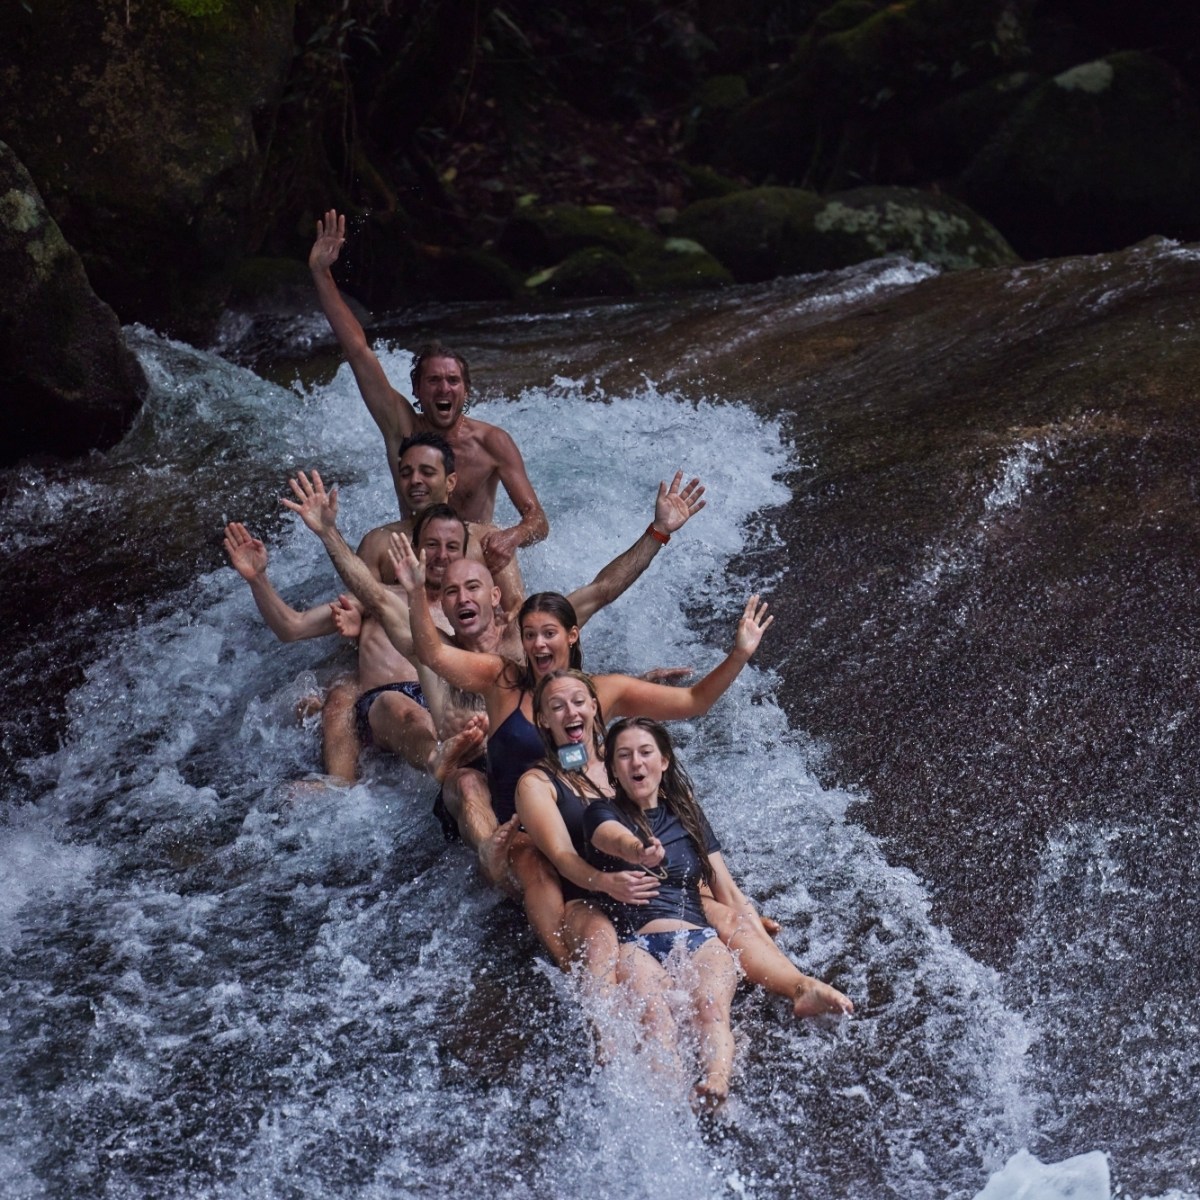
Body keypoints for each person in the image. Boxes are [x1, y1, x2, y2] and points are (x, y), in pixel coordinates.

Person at [279, 466, 706, 877]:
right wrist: (327, 533)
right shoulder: (437, 651)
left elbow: (603, 588)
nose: (462, 598)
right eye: (450, 592)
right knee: (464, 783)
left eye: (472, 588)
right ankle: (497, 865)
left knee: (608, 766)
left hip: (548, 763)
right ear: (441, 607)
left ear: (495, 595)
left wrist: (658, 532)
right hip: (479, 775)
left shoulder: (528, 636)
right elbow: (372, 593)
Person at [517, 670, 854, 1022]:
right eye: (557, 706)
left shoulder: (630, 759)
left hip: (659, 888)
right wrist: (605, 883)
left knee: (728, 915)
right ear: (543, 718)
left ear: (595, 707)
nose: (570, 712)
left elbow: (687, 837)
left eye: (578, 702)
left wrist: (742, 911)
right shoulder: (537, 783)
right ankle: (605, 1037)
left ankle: (800, 986)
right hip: (596, 895)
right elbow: (562, 856)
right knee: (602, 942)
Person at [587, 718, 852, 1110]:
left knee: (709, 1005)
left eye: (645, 753)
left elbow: (727, 891)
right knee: (656, 1019)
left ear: (663, 761)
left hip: (698, 937)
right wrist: (636, 849)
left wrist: (771, 950)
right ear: (612, 769)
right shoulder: (601, 813)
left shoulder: (688, 816)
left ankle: (716, 1082)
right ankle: (670, 1109)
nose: (635, 763)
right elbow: (608, 837)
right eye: (623, 756)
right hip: (635, 943)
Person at [309, 209, 547, 571]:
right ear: (417, 390)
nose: (444, 388)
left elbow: (537, 522)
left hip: (471, 566)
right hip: (418, 561)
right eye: (433, 381)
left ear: (465, 391)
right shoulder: (402, 428)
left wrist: (512, 537)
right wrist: (322, 274)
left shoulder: (493, 443)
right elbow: (359, 352)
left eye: (453, 381)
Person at [222, 518, 482, 786]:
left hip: (442, 704)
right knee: (402, 710)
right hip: (385, 703)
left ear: (464, 554)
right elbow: (292, 627)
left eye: (451, 547)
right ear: (415, 549)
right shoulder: (378, 599)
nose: (441, 555)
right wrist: (258, 579)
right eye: (432, 545)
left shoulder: (471, 609)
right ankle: (432, 759)